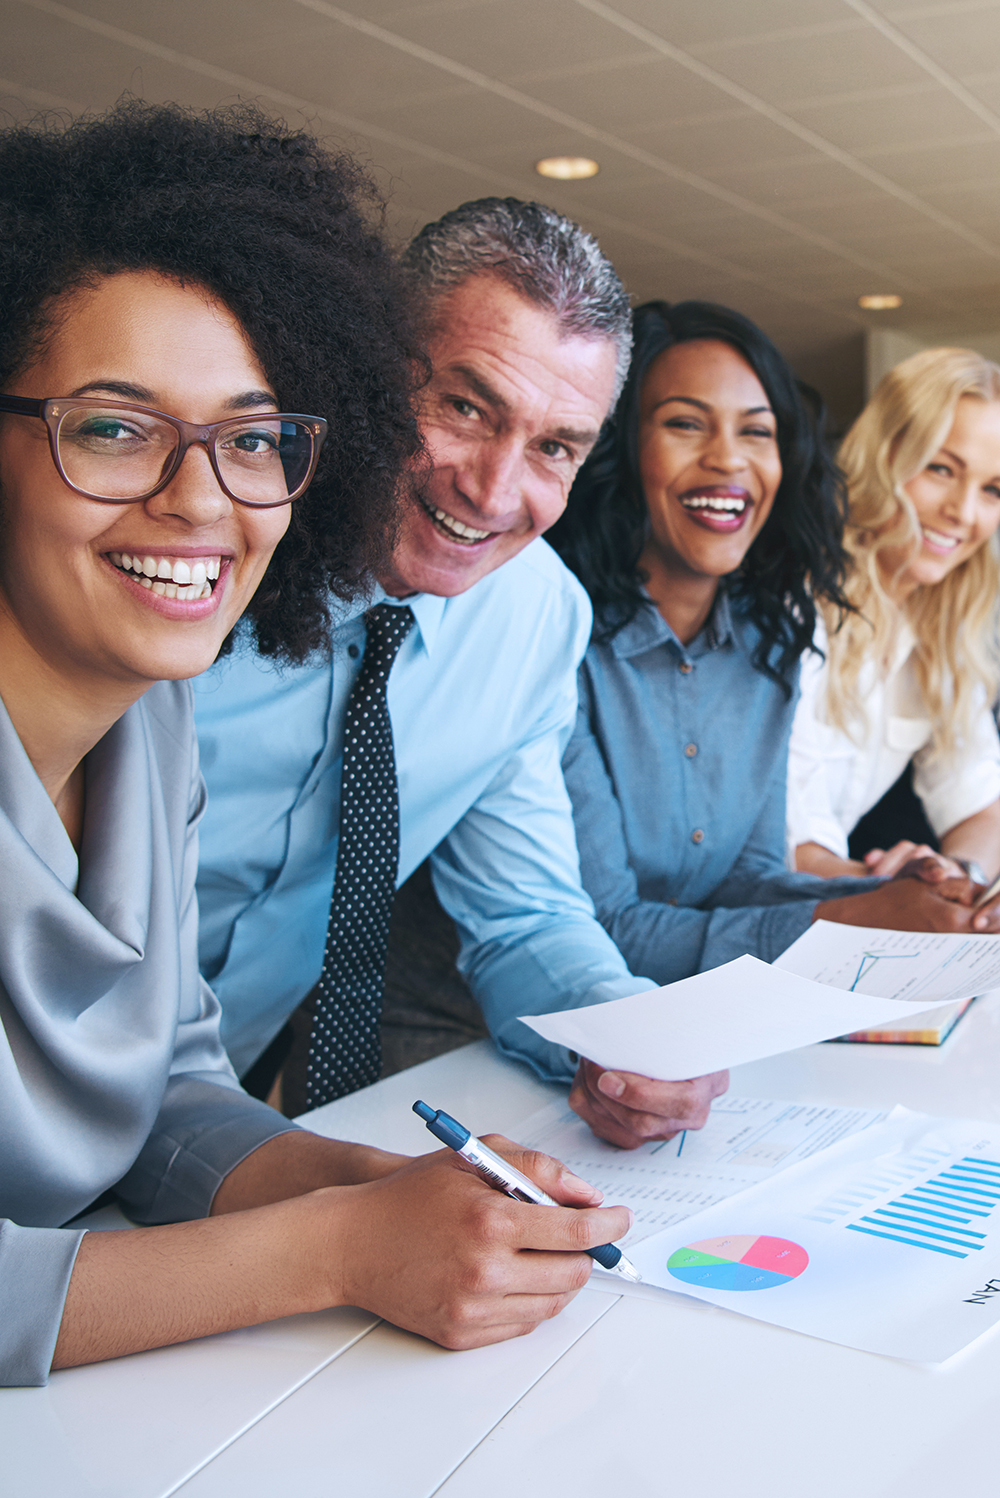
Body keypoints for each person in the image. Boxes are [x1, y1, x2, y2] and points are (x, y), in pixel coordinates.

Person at [0, 104, 630, 1388]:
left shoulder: (146, 715)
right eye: (113, 427)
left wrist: (390, 1193)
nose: (197, 499)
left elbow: (164, 1085)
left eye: (246, 440)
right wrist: (337, 1243)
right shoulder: (171, 637)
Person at [194, 198, 729, 1151]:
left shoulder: (536, 617)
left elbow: (524, 918)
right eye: (466, 407)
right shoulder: (197, 551)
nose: (492, 491)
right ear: (370, 367)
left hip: (198, 1120)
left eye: (554, 448)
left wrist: (622, 1037)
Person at [546, 302, 1000, 999]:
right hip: (523, 1022)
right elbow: (610, 926)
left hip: (689, 1000)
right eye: (685, 423)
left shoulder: (756, 639)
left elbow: (742, 874)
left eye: (755, 432)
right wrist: (857, 907)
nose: (964, 513)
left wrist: (935, 889)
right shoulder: (572, 640)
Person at [788, 347, 1000, 886]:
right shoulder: (792, 599)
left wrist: (957, 873)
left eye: (992, 489)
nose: (964, 512)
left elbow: (982, 806)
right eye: (941, 469)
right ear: (885, 454)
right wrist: (899, 893)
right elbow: (778, 837)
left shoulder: (939, 622)